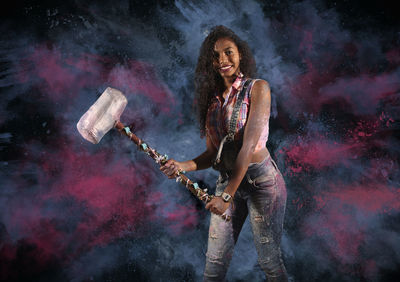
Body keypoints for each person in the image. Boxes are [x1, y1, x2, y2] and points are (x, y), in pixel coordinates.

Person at [160, 25, 288, 282]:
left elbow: (248, 147)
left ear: (240, 53)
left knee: (270, 262)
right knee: (214, 266)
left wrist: (226, 197)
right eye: (215, 56)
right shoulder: (213, 102)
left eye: (228, 52)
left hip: (261, 182)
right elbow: (212, 154)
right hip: (228, 181)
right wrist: (181, 166)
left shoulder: (258, 89)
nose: (222, 60)